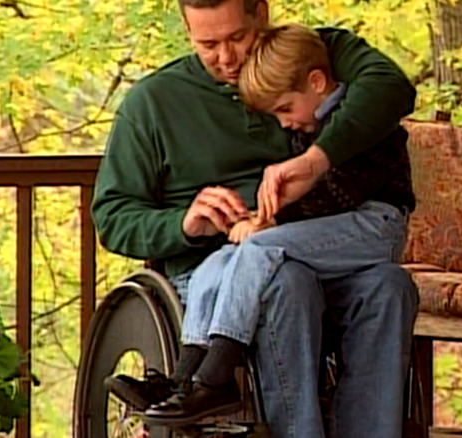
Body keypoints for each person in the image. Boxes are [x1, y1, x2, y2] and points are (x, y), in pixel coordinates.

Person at [91, 0, 418, 436]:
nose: (225, 58)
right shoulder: (153, 102)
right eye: (207, 44)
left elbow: (392, 87)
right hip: (217, 266)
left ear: (260, 15)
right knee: (286, 283)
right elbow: (113, 217)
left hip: (311, 243)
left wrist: (315, 162)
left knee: (388, 285)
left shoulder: (307, 54)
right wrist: (184, 225)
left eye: (237, 38)